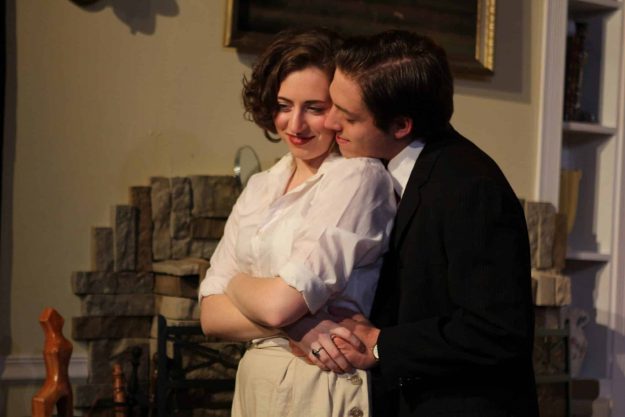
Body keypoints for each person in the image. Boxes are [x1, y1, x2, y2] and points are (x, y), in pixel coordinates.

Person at [295, 30, 539, 417]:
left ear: (401, 126)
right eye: (332, 104)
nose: (330, 122)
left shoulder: (469, 187)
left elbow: (498, 331)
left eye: (349, 116)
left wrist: (380, 344)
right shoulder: (381, 170)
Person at [198, 28, 397, 417]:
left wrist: (235, 283)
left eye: (315, 108)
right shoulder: (261, 185)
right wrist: (298, 326)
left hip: (319, 379)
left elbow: (279, 305)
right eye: (284, 105)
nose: (295, 124)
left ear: (339, 109)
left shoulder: (358, 177)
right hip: (255, 379)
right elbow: (210, 316)